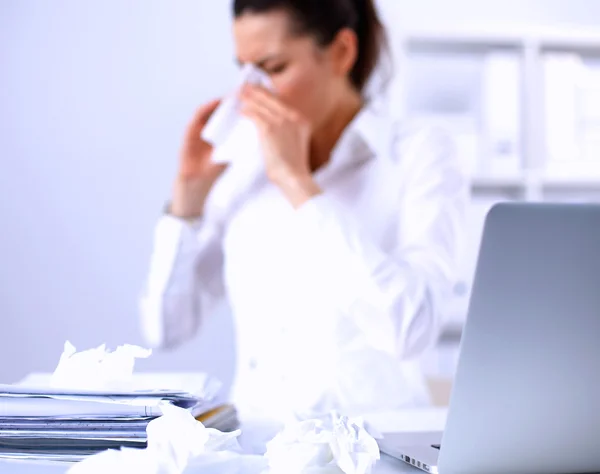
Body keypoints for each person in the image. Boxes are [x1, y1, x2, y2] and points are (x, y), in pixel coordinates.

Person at [140, 0, 467, 424]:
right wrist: (188, 199)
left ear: (342, 52)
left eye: (273, 68)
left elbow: (412, 329)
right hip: (257, 449)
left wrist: (299, 185)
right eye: (244, 69)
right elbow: (166, 329)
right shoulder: (242, 166)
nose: (251, 92)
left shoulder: (420, 155)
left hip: (376, 449)